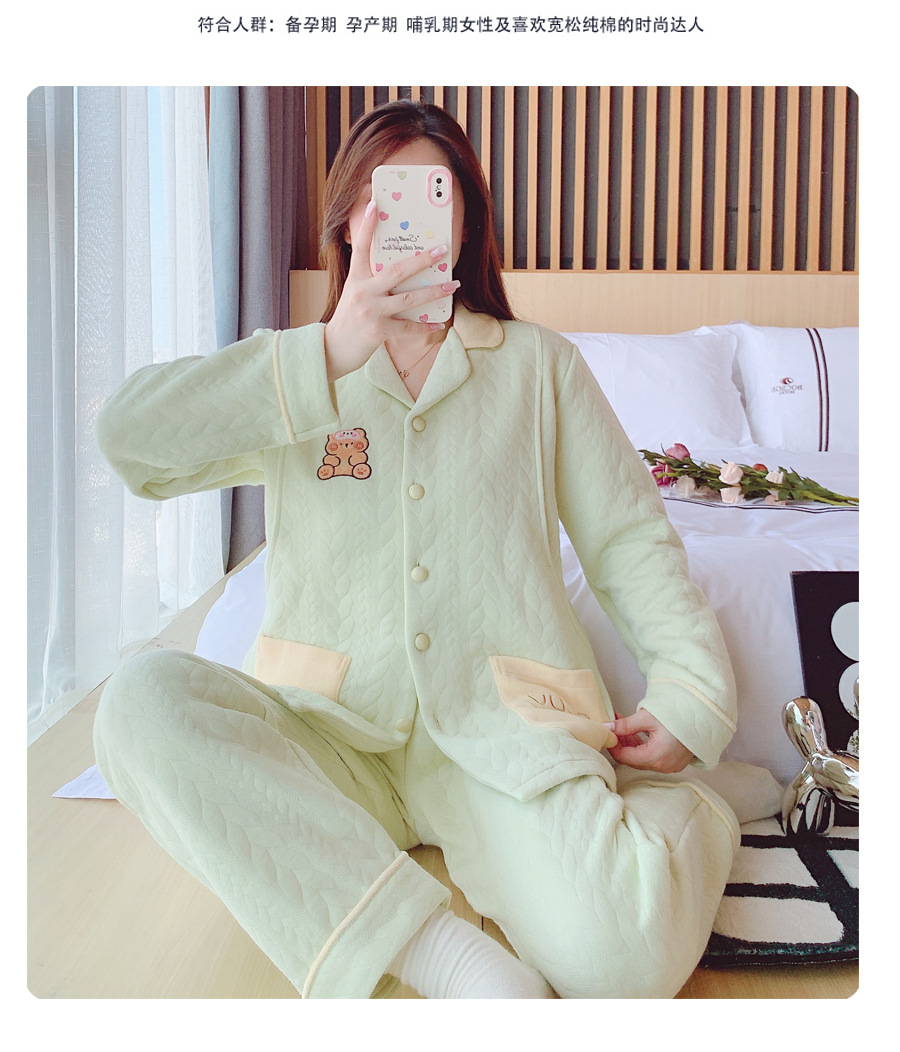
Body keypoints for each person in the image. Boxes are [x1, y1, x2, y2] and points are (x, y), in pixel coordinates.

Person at [93, 100, 741, 1000]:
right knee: (138, 702)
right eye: (374, 193)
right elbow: (130, 441)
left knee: (624, 962)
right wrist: (329, 351)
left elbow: (629, 538)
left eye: (428, 192)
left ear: (463, 219)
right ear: (347, 223)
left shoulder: (537, 366)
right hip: (329, 733)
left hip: (497, 735)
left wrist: (691, 695)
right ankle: (445, 957)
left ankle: (697, 809)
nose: (395, 213)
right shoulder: (295, 371)